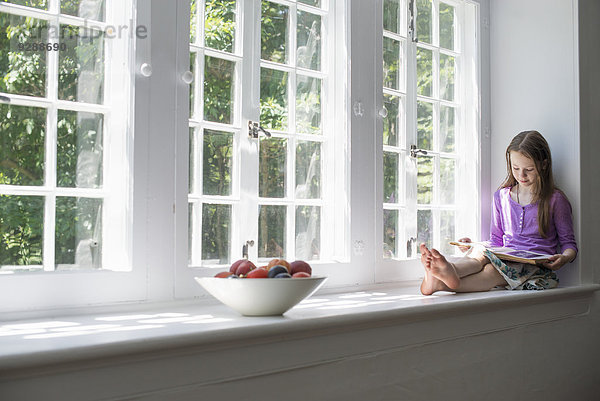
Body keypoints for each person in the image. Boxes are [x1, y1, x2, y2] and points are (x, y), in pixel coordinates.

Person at [420, 130, 578, 295]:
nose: (521, 175)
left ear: (544, 165)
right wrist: (472, 245)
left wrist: (564, 258)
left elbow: (569, 244)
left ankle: (440, 283)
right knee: (479, 251)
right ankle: (450, 270)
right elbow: (496, 240)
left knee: (492, 271)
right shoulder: (501, 196)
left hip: (533, 267)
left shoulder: (555, 200)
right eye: (515, 168)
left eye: (529, 169)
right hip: (505, 255)